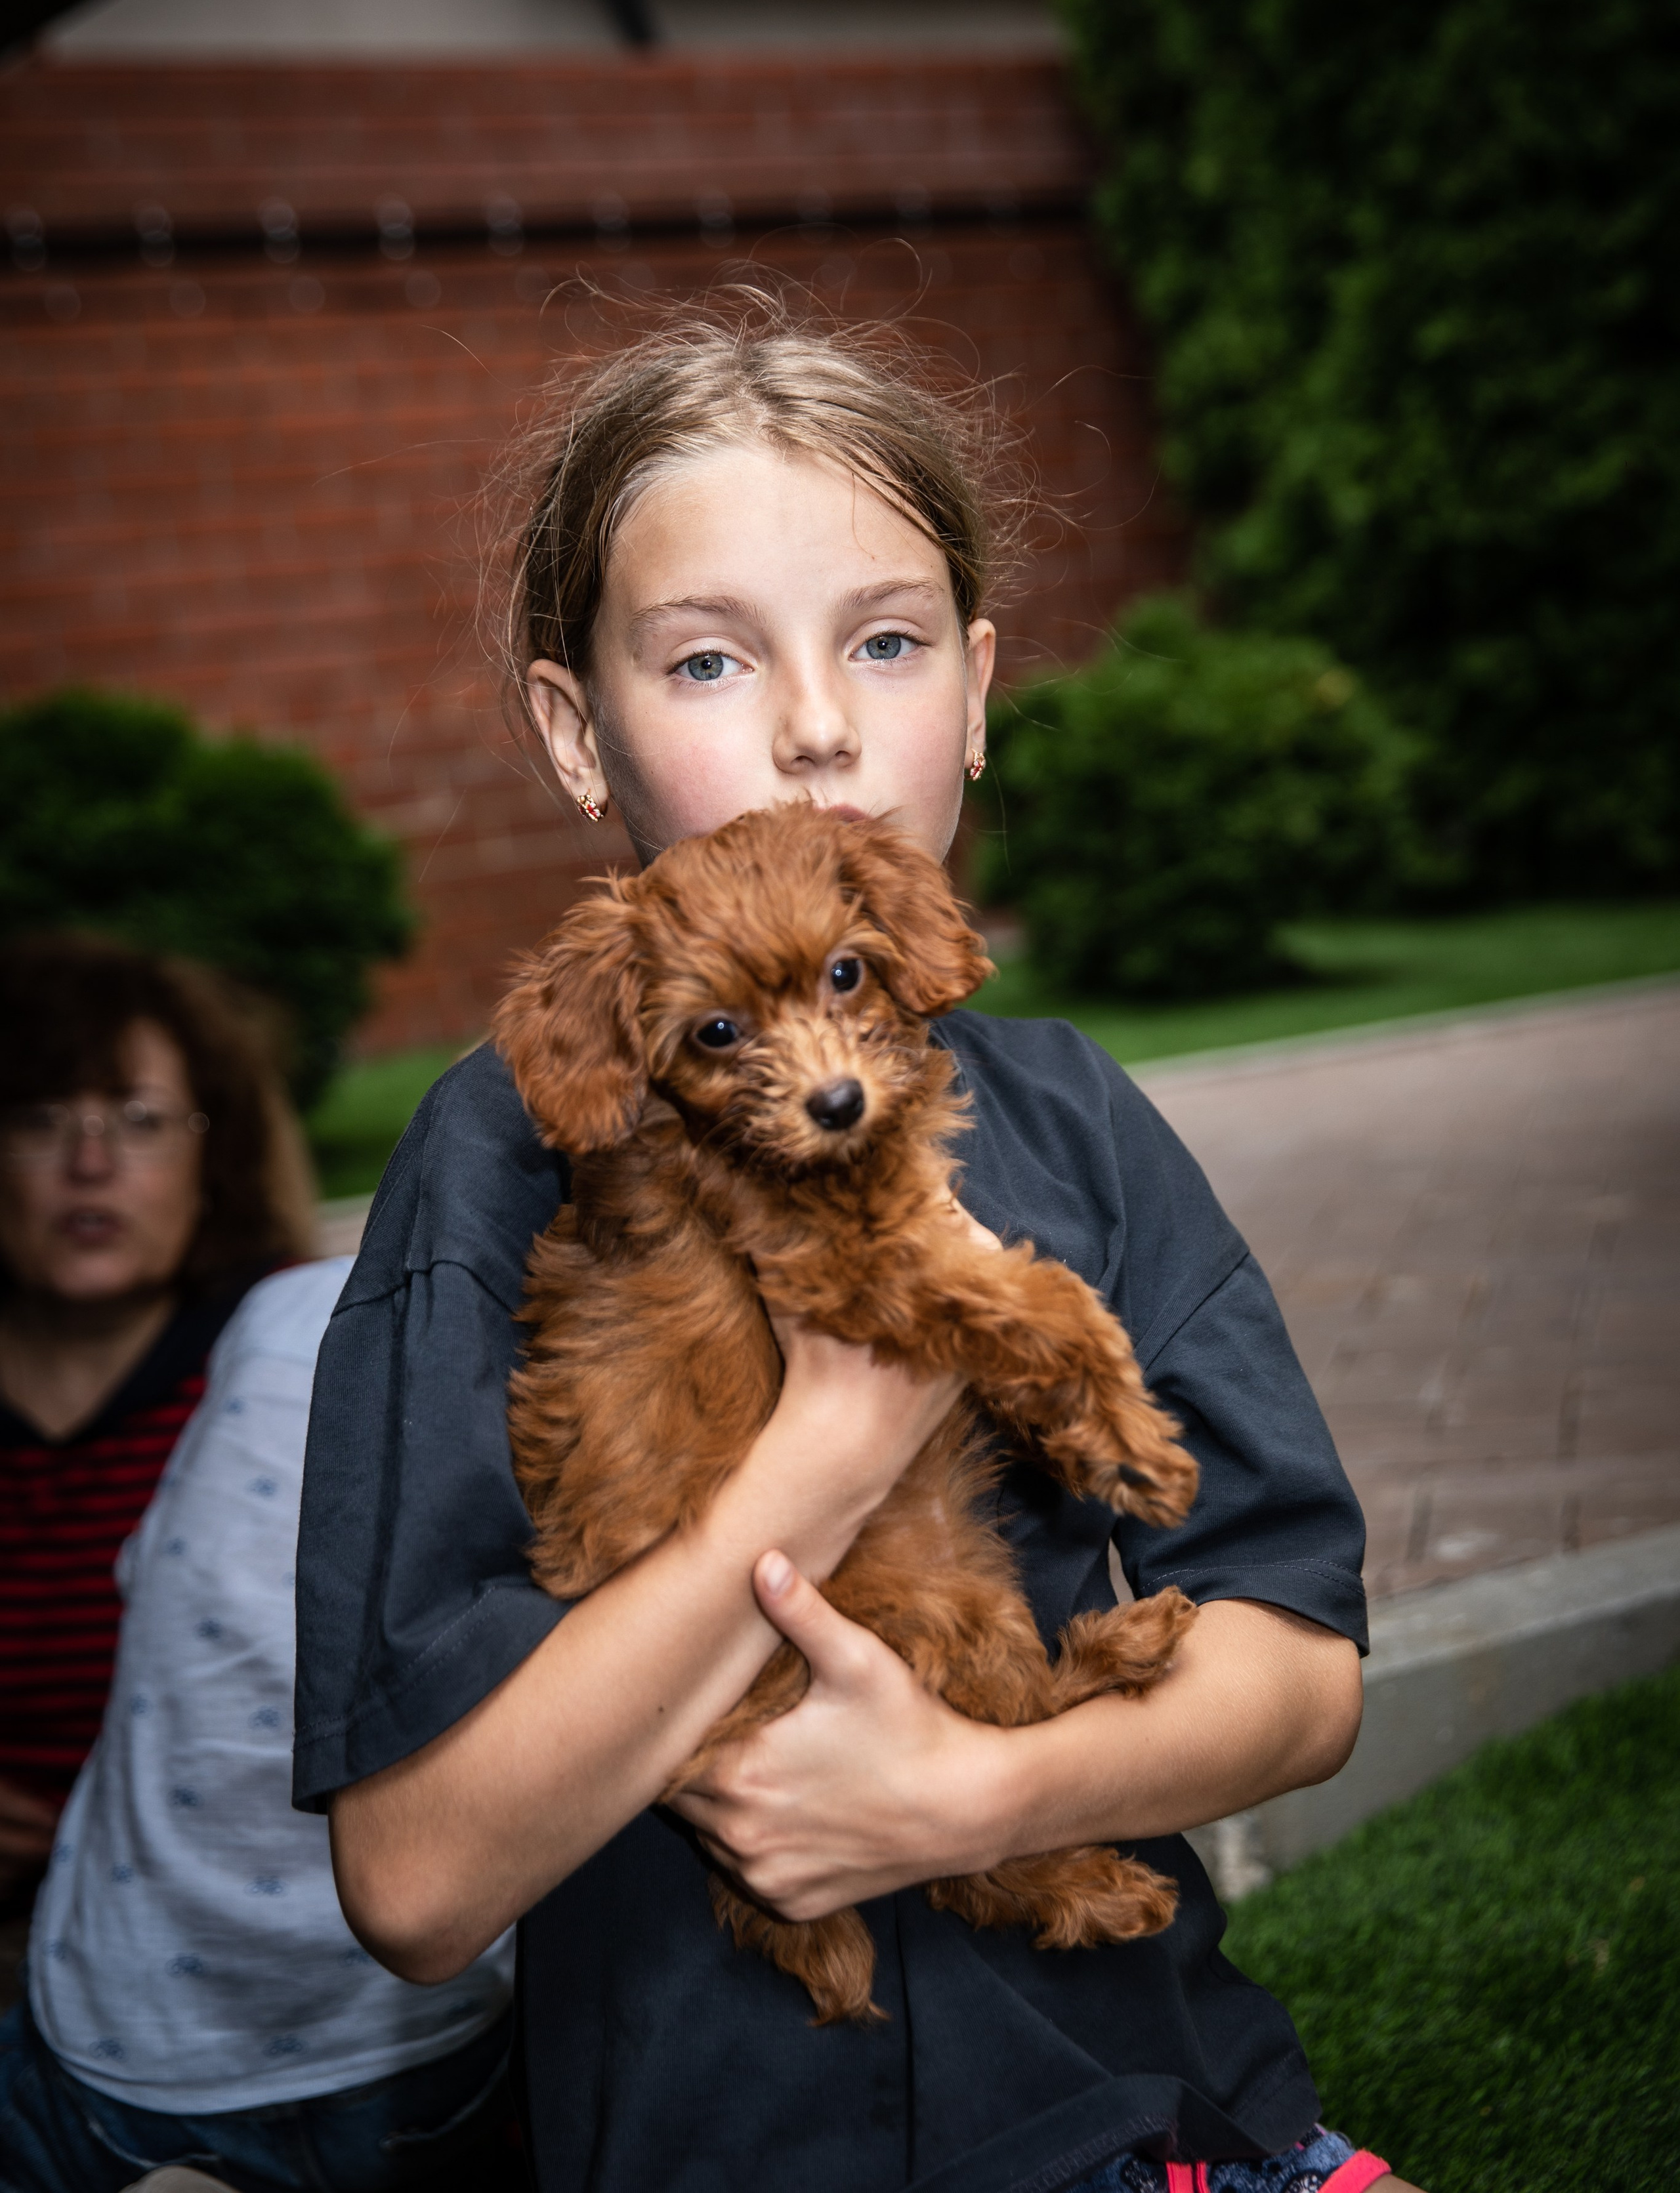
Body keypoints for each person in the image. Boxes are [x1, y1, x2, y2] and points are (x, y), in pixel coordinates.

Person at [295, 303, 1429, 2193]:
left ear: (977, 695)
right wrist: (832, 1441)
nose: (819, 725)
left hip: (1146, 2111)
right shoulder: (496, 1163)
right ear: (578, 735)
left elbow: (1304, 1675)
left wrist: (976, 1796)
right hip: (715, 2142)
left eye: (887, 644)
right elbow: (414, 1883)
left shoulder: (1078, 1119)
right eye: (712, 658)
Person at [0, 1258, 517, 2192]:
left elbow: (139, 1578)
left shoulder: (280, 1316)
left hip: (123, 2015)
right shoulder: (545, 1355)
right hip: (401, 2044)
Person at [0, 938, 314, 1909]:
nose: (89, 1164)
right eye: (43, 1119)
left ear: (214, 1158)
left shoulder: (286, 1376)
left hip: (227, 1927)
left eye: (140, 1121)